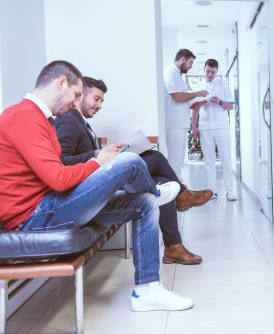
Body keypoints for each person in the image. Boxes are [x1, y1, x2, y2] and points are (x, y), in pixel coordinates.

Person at [0, 60, 194, 312]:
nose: (75, 102)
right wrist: (98, 162)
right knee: (130, 161)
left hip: (49, 206)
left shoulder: (40, 118)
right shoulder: (23, 116)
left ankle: (147, 290)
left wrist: (98, 163)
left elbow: (54, 175)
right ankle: (156, 192)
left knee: (143, 204)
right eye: (76, 94)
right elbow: (58, 178)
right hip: (34, 216)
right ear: (60, 83)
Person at [55, 76, 213, 265]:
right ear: (80, 96)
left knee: (163, 183)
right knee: (155, 158)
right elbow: (62, 162)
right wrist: (98, 154)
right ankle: (183, 195)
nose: (99, 105)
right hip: (90, 188)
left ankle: (173, 247)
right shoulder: (68, 121)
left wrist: (107, 152)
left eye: (102, 101)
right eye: (96, 99)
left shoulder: (81, 122)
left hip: (98, 178)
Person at [190, 58, 237, 201]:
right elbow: (194, 109)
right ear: (203, 70)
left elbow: (231, 106)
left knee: (226, 160)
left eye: (213, 72)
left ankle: (230, 192)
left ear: (217, 72)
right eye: (208, 71)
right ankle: (212, 192)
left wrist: (220, 102)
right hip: (205, 128)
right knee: (209, 162)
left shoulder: (223, 84)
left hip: (222, 127)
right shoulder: (198, 86)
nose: (210, 74)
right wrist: (194, 128)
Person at [164, 49, 208, 180]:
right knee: (175, 159)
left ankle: (178, 188)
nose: (191, 66)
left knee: (178, 159)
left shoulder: (177, 75)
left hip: (179, 122)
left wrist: (195, 103)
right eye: (190, 62)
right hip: (173, 123)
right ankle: (175, 192)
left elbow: (181, 99)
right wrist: (197, 94)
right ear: (183, 59)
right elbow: (177, 96)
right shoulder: (170, 73)